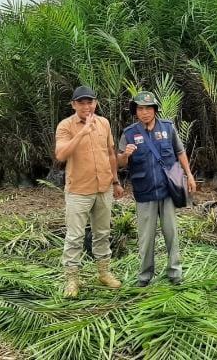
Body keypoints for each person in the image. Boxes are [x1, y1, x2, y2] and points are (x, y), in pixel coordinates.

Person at [117, 91, 196, 286]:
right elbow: (119, 163)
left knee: (172, 234)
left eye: (148, 108)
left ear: (155, 110)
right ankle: (145, 276)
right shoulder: (129, 134)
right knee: (146, 238)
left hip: (168, 190)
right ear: (135, 111)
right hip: (145, 192)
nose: (144, 112)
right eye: (140, 109)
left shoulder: (168, 128)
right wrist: (125, 155)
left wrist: (189, 175)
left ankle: (175, 273)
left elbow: (180, 152)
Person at [55, 85, 124, 297]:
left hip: (103, 187)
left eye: (90, 102)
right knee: (75, 236)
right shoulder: (65, 126)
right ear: (74, 105)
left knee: (102, 233)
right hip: (79, 190)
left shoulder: (104, 123)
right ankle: (72, 279)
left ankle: (103, 272)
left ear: (95, 103)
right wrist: (82, 133)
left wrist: (115, 181)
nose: (86, 106)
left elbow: (111, 154)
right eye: (81, 102)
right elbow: (60, 155)